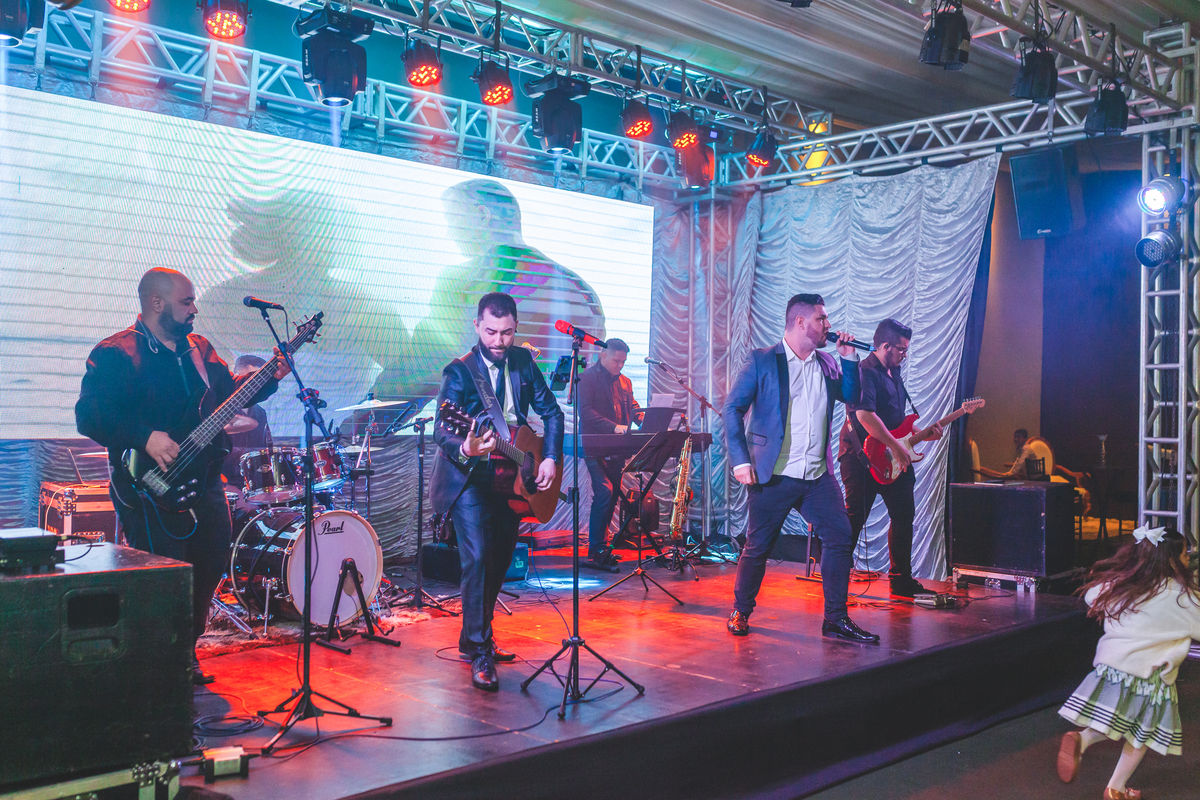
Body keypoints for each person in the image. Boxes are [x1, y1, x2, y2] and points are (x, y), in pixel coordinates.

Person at [75, 268, 288, 685]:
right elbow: (90, 415)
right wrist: (145, 436)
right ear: (157, 303)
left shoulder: (199, 349)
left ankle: (184, 650)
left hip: (203, 477)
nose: (194, 309)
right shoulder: (116, 353)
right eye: (186, 301)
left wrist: (268, 378)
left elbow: (229, 394)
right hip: (146, 484)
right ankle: (156, 663)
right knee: (165, 573)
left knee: (209, 562)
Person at [722, 293, 877, 643]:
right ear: (801, 322)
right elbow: (732, 409)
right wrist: (741, 460)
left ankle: (835, 618)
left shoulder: (828, 362)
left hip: (817, 476)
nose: (828, 325)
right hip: (773, 474)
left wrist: (849, 359)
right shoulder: (763, 360)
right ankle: (741, 610)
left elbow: (852, 398)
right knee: (758, 546)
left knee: (839, 537)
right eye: (822, 319)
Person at [429, 292, 564, 692]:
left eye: (506, 333)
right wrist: (466, 447)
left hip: (511, 477)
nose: (498, 341)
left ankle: (476, 638)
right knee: (477, 558)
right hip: (469, 477)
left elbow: (552, 412)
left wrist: (550, 458)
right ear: (477, 326)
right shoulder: (459, 372)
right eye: (490, 332)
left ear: (515, 327)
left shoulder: (522, 361)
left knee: (501, 558)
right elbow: (442, 429)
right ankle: (480, 649)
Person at [409, 179, 607, 397]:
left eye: (452, 219)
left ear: (482, 215)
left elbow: (420, 374)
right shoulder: (583, 291)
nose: (449, 233)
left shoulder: (463, 282)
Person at [1056, 524, 1200, 800]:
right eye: (1184, 553)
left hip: (1113, 669)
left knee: (1118, 719)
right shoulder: (1182, 598)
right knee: (1141, 733)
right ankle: (1115, 788)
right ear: (1171, 560)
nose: (1188, 558)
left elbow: (1092, 596)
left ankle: (1083, 741)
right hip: (1150, 676)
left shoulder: (1125, 584)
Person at [838, 318, 942, 598]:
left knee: (904, 514)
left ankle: (901, 580)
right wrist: (896, 446)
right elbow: (864, 415)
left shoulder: (894, 372)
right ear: (885, 346)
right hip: (860, 456)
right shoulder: (865, 371)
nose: (905, 355)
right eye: (902, 349)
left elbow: (896, 419)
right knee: (854, 518)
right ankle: (836, 578)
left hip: (890, 453)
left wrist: (921, 433)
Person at [578, 339, 644, 570]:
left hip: (617, 448)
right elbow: (585, 412)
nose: (620, 365)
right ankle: (597, 548)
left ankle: (600, 548)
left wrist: (644, 418)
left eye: (624, 361)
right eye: (617, 360)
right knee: (605, 491)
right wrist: (613, 427)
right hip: (594, 446)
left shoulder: (625, 381)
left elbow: (633, 408)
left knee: (613, 494)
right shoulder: (587, 378)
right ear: (603, 356)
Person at [221, 354, 270, 487]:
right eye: (250, 380)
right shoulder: (219, 410)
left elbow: (264, 447)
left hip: (253, 483)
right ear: (237, 378)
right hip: (225, 483)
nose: (255, 387)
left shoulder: (260, 412)